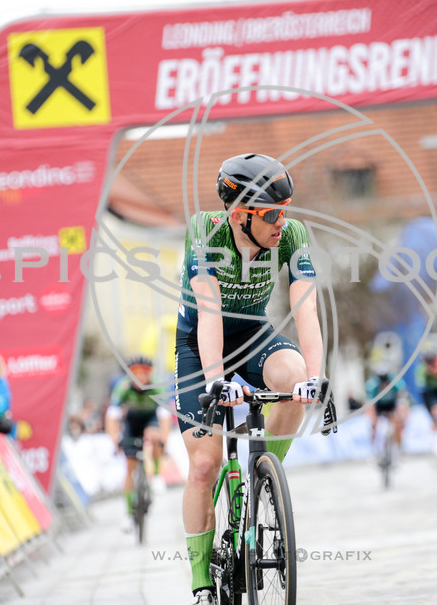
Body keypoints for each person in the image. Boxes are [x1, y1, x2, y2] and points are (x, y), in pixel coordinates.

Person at [174, 153, 323, 605]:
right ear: (239, 215)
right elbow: (211, 313)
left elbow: (307, 310)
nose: (283, 221)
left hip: (255, 334)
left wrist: (315, 378)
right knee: (204, 464)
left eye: (286, 210)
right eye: (272, 213)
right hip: (201, 343)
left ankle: (262, 481)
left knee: (294, 382)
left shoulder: (291, 236)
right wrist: (218, 381)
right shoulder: (207, 232)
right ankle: (202, 583)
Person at [104, 356, 172, 530]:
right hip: (132, 422)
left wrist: (163, 441)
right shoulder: (123, 387)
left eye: (145, 372)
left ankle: (156, 475)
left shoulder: (158, 385)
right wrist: (115, 442)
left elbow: (165, 417)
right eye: (137, 373)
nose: (141, 376)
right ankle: (128, 514)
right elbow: (112, 417)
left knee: (155, 436)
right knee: (129, 466)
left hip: (151, 419)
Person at [364, 363, 409, 450]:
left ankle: (399, 447)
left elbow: (403, 398)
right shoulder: (373, 385)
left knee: (397, 423)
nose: (384, 383)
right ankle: (373, 449)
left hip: (391, 404)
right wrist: (372, 418)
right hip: (379, 405)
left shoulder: (395, 382)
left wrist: (402, 417)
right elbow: (369, 404)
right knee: (373, 425)